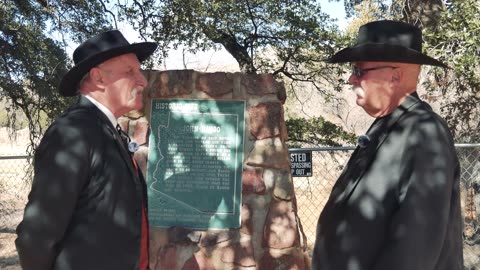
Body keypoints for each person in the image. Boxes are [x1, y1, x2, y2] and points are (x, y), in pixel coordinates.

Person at [312, 20, 463, 270]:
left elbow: (414, 251)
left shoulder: (424, 133)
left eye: (360, 70)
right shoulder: (389, 124)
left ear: (395, 76)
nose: (351, 78)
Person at [15, 30, 157, 270]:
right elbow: (37, 235)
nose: (143, 80)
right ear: (98, 78)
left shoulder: (106, 129)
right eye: (130, 72)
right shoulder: (73, 132)